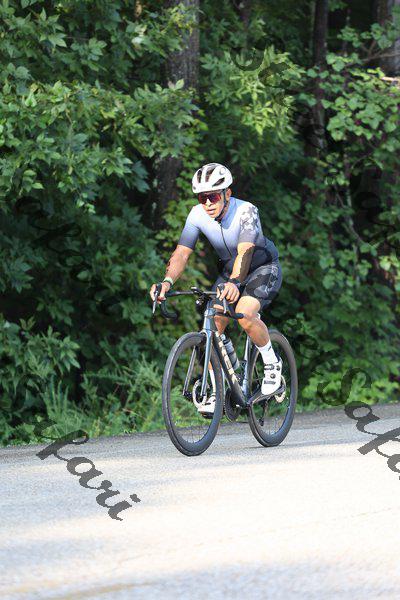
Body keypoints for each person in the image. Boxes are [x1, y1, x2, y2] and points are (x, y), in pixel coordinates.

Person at [149, 163, 283, 414]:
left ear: (227, 194)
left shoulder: (246, 211)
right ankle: (217, 389)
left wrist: (235, 283)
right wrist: (166, 282)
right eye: (202, 198)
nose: (208, 203)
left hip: (262, 268)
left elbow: (245, 251)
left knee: (245, 314)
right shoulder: (196, 215)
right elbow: (182, 253)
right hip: (230, 272)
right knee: (213, 323)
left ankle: (272, 363)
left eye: (213, 196)